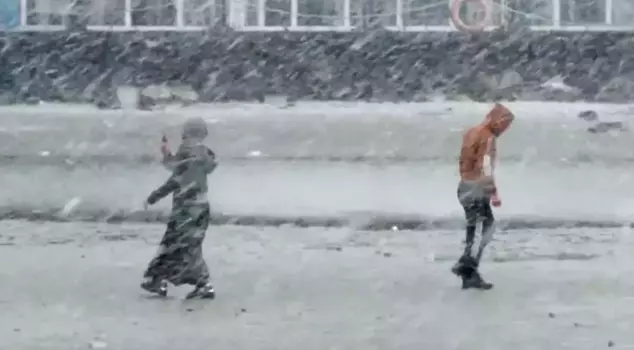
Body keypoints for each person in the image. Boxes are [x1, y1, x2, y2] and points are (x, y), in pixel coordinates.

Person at [140, 117, 218, 299]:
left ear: (186, 133)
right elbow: (182, 169)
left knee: (177, 246)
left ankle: (198, 283)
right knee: (187, 246)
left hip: (185, 209)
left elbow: (175, 179)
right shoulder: (204, 154)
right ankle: (160, 280)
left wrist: (152, 198)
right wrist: (168, 155)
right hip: (201, 207)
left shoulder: (186, 151)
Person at [451, 103, 514, 290]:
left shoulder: (472, 132)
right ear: (497, 121)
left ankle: (469, 273)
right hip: (477, 188)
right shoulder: (487, 137)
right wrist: (493, 191)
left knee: (475, 227)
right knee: (485, 227)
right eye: (505, 125)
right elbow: (485, 166)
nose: (505, 129)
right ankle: (467, 265)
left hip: (464, 186)